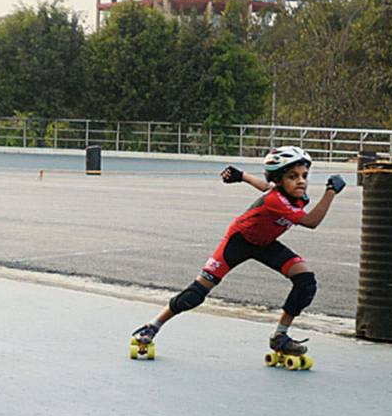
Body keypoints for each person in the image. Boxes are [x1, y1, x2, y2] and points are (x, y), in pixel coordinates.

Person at [130, 146, 345, 361]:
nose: (301, 181)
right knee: (194, 295)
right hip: (238, 242)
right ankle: (153, 326)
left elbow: (265, 186)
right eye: (293, 176)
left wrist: (242, 176)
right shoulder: (276, 200)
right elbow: (311, 221)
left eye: (304, 176)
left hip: (265, 243)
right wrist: (330, 192)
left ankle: (280, 335)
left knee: (305, 281)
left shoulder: (289, 193)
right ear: (279, 180)